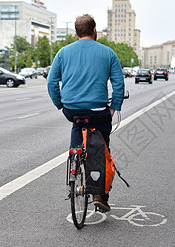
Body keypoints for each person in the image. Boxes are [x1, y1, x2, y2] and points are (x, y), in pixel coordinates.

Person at [47, 14, 125, 212]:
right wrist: (113, 107)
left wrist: (60, 105)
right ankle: (100, 194)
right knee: (102, 150)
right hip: (99, 111)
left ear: (76, 32)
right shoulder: (108, 53)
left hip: (72, 110)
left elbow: (51, 82)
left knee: (77, 127)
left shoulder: (63, 53)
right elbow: (119, 84)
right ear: (95, 31)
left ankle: (75, 158)